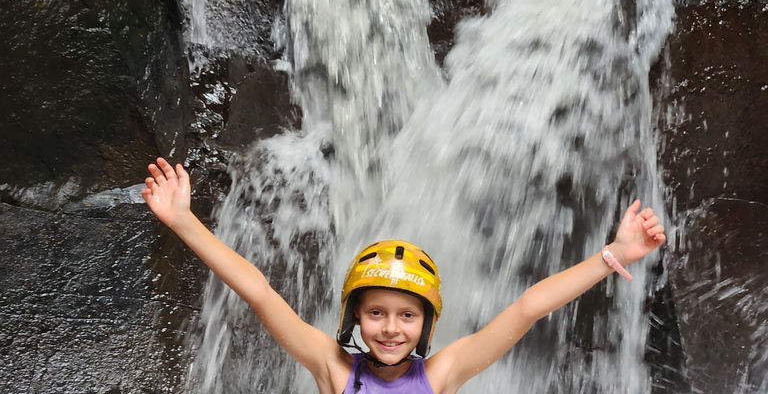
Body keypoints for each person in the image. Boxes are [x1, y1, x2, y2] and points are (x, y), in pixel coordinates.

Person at [142, 157, 666, 394]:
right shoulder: (334, 370)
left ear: (426, 323)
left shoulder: (441, 376)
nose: (391, 328)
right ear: (355, 317)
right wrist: (186, 223)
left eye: (406, 316)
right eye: (376, 313)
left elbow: (529, 306)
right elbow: (258, 291)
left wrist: (612, 255)